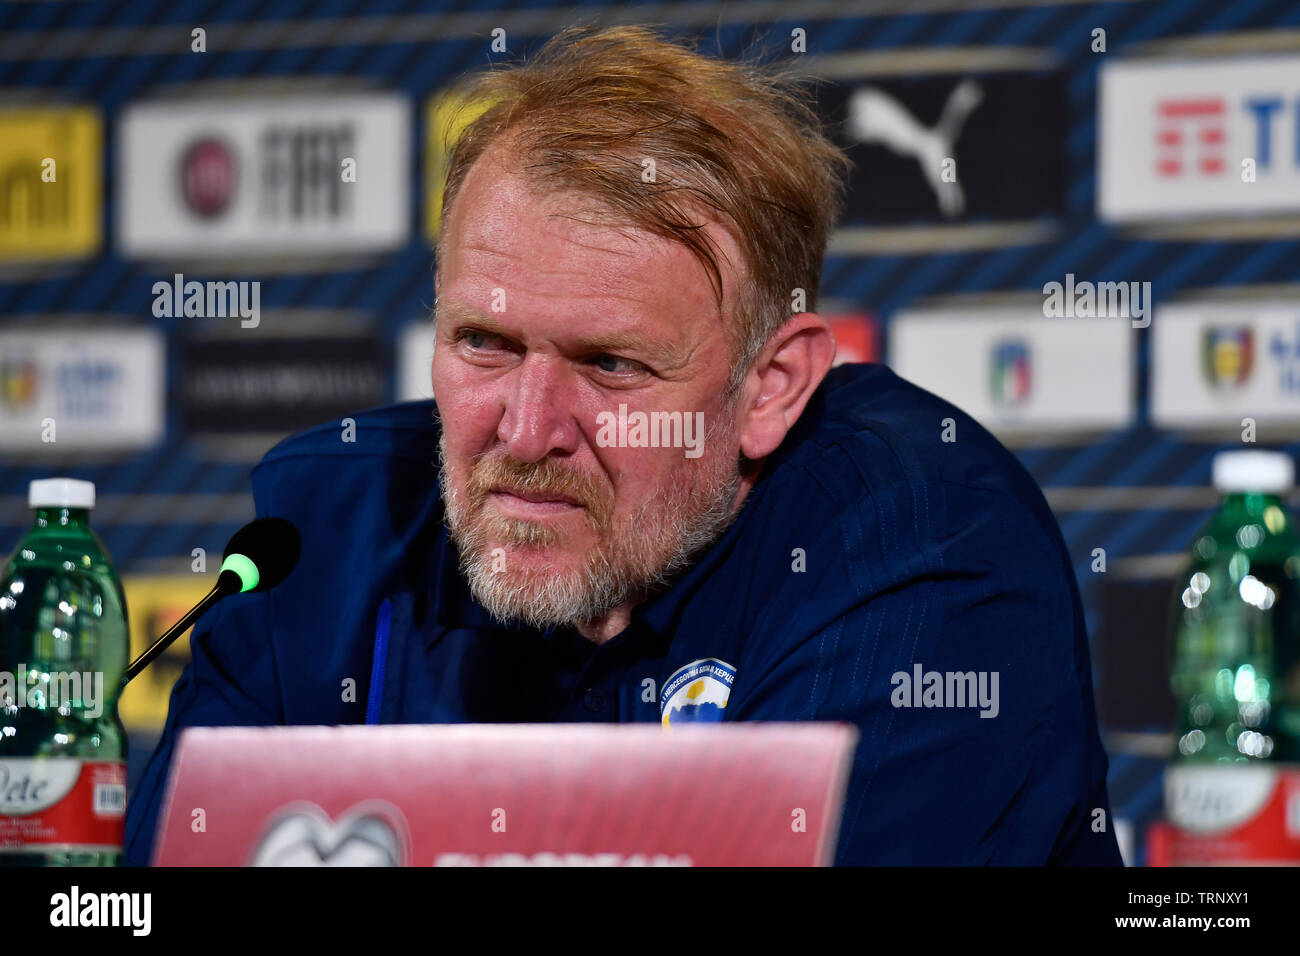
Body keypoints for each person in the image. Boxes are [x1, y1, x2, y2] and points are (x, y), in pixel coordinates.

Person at [126, 25, 1121, 866]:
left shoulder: (920, 542)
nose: (524, 429)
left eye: (610, 366)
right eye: (484, 342)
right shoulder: (322, 536)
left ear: (769, 387)